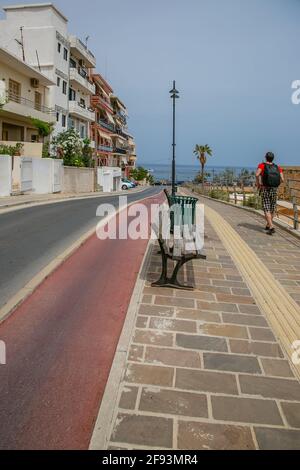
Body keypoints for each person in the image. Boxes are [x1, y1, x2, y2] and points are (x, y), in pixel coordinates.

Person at [256, 152, 284, 235]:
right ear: (273, 158)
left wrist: (258, 184)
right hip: (274, 189)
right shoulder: (277, 167)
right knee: (272, 207)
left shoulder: (262, 165)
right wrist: (275, 185)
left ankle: (271, 226)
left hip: (265, 189)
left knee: (266, 207)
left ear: (265, 157)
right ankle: (268, 225)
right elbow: (282, 179)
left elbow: (257, 174)